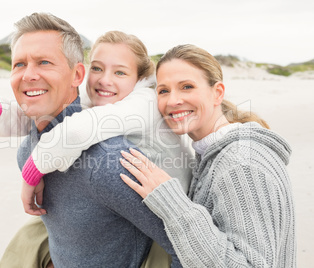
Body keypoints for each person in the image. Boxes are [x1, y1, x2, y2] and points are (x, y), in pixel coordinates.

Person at [0, 13, 187, 267]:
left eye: (44, 62)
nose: (29, 74)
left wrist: (33, 170)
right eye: (19, 64)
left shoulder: (112, 154)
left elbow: (185, 245)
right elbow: (37, 117)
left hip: (176, 194)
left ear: (76, 75)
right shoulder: (32, 145)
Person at [120, 44, 296, 267]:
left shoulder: (241, 164)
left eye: (187, 87)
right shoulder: (212, 155)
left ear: (217, 93)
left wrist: (172, 203)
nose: (173, 100)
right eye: (164, 90)